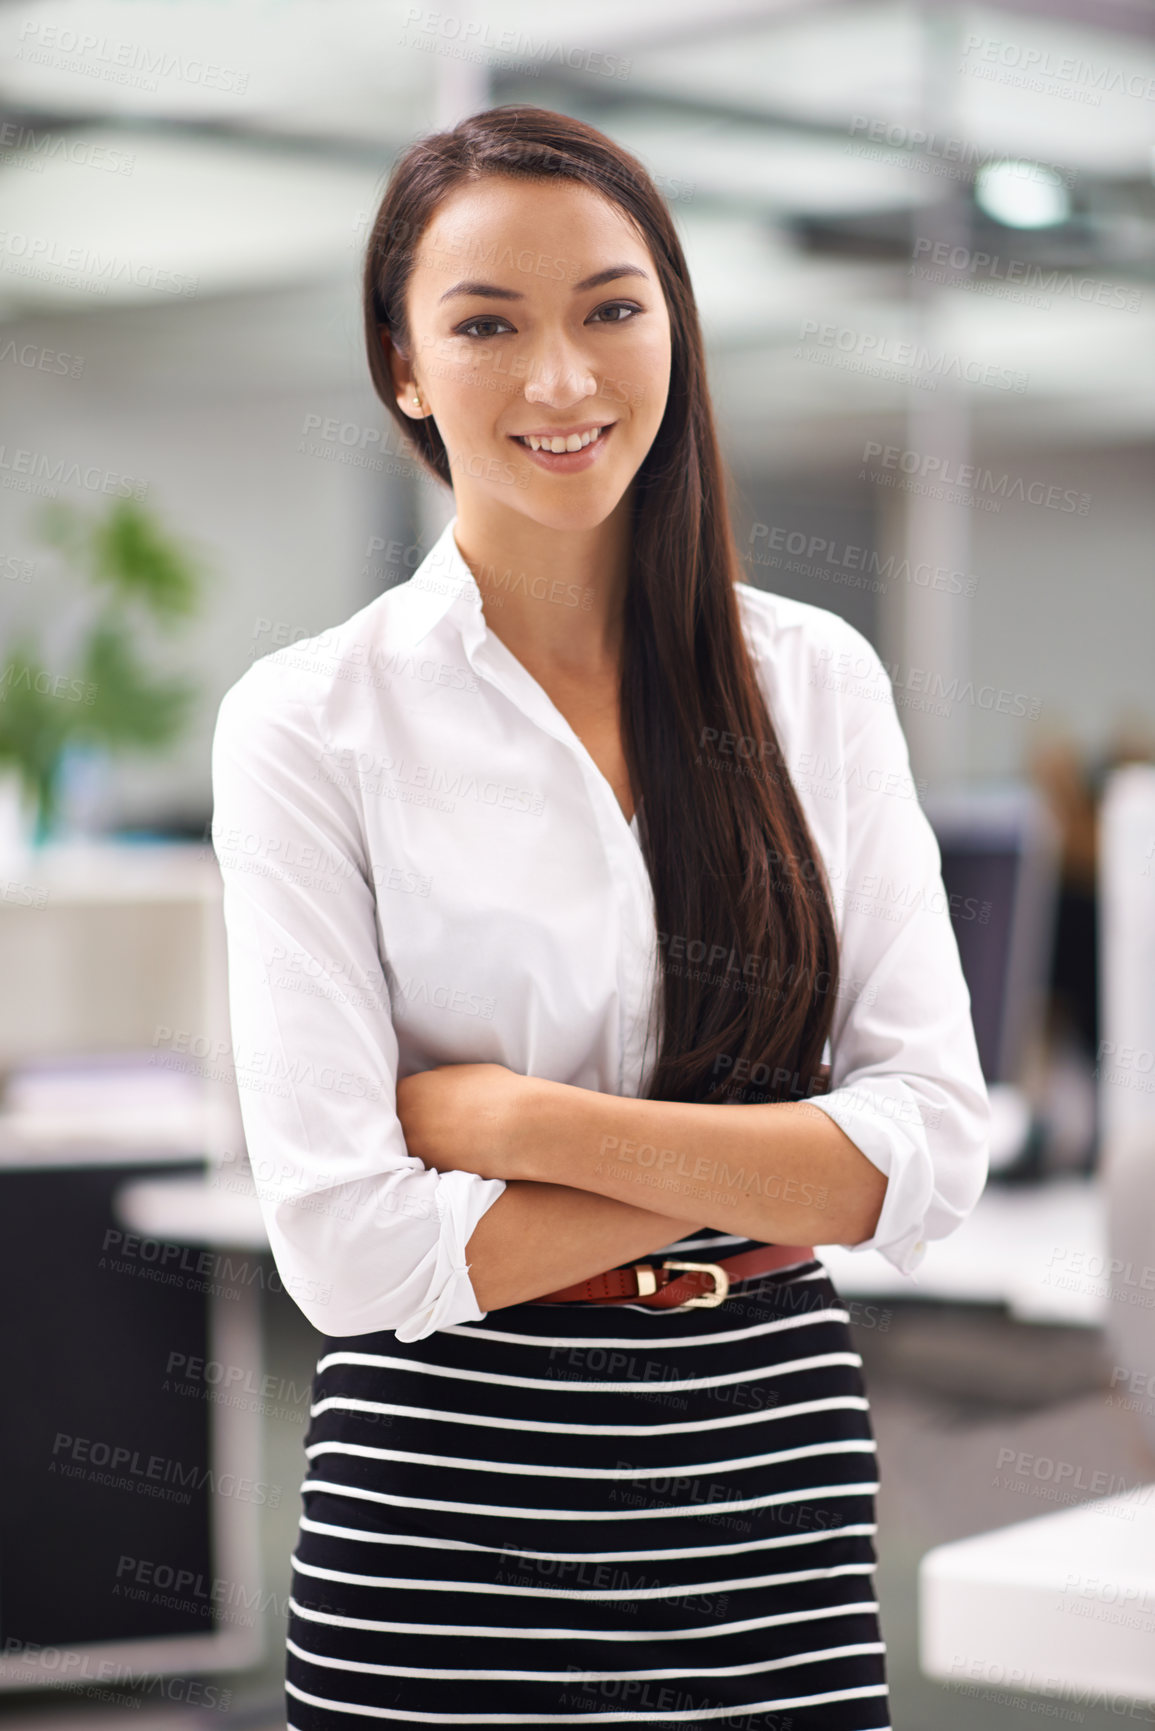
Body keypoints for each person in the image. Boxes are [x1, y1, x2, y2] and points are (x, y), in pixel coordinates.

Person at [211, 104, 990, 1731]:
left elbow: (932, 1146)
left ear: (675, 328)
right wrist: (778, 1164)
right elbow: (347, 1250)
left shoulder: (813, 683)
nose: (562, 382)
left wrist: (514, 1123)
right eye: (487, 325)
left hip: (769, 1482)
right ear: (404, 367)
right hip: (446, 1511)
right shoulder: (310, 720)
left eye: (611, 310)